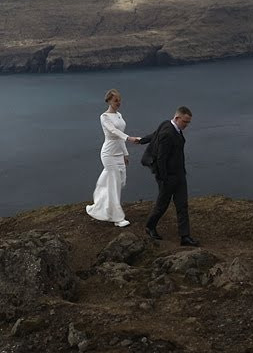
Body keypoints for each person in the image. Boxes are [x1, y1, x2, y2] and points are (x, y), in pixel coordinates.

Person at [136, 106, 201, 247]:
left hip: (179, 174)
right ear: (177, 118)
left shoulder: (166, 124)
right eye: (185, 122)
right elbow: (161, 158)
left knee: (182, 205)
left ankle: (185, 236)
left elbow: (154, 135)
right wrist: (163, 179)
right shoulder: (168, 133)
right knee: (162, 204)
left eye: (188, 122)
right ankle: (150, 226)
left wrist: (141, 140)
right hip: (168, 177)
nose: (186, 125)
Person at [85, 88, 143, 227]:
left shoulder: (119, 115)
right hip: (108, 154)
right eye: (116, 100)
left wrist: (125, 154)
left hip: (119, 154)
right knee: (114, 183)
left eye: (119, 100)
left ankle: (101, 206)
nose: (118, 103)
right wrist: (129, 138)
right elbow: (114, 131)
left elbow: (119, 137)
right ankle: (117, 218)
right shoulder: (104, 117)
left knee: (120, 182)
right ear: (109, 101)